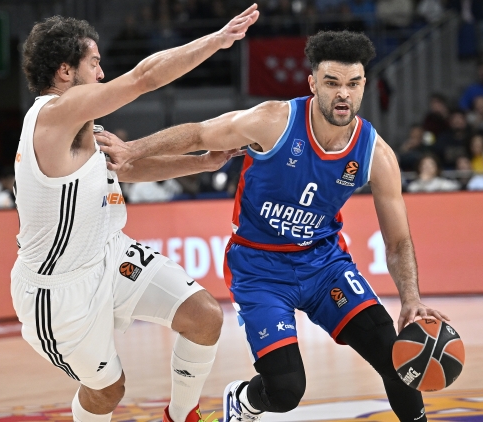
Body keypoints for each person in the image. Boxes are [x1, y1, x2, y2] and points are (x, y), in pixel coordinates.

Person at [99, 30, 449, 422]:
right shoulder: (273, 121)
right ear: (313, 83)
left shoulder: (376, 154)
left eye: (353, 84)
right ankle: (243, 402)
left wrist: (411, 298)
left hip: (324, 267)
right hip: (259, 269)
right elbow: (199, 133)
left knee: (398, 360)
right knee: (285, 391)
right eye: (332, 83)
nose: (343, 94)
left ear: (364, 85)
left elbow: (398, 241)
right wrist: (133, 149)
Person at [12, 8, 258, 422]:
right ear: (65, 71)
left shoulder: (86, 128)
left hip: (110, 254)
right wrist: (216, 40)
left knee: (204, 316)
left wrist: (202, 163)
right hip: (59, 290)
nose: (102, 73)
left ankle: (182, 415)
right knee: (108, 392)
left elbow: (128, 168)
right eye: (94, 63)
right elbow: (144, 78)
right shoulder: (53, 115)